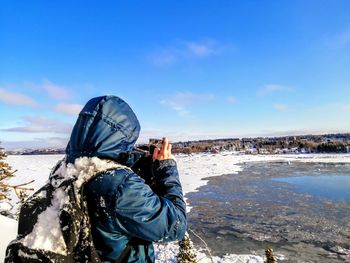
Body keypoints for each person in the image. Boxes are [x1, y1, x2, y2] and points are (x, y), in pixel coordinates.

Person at [65, 95, 187, 262]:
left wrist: (140, 161)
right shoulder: (121, 187)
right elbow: (175, 225)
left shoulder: (67, 169)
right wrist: (167, 170)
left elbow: (106, 163)